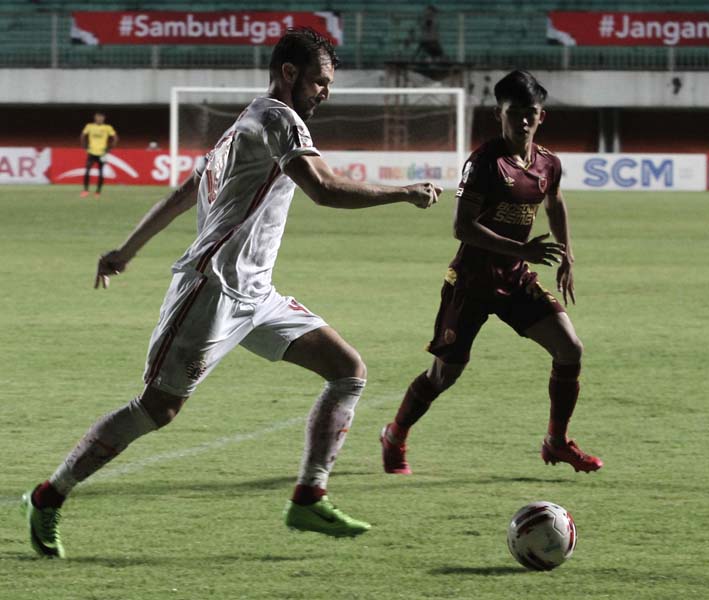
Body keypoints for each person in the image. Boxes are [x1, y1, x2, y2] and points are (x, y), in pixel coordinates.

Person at [23, 28, 442, 559]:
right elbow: (325, 189)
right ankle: (48, 494)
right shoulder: (275, 118)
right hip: (212, 288)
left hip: (256, 295)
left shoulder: (242, 126)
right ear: (288, 74)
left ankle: (309, 495)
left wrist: (126, 251)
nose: (325, 92)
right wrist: (403, 191)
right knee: (158, 408)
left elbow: (182, 194)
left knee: (346, 369)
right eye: (318, 81)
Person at [379, 70, 603, 476]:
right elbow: (461, 228)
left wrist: (568, 253)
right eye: (513, 112)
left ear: (541, 116)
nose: (522, 120)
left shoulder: (548, 163)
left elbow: (554, 202)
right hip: (471, 282)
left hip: (515, 278)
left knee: (570, 349)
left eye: (529, 113)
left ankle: (555, 442)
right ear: (498, 115)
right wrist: (523, 248)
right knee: (444, 374)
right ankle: (394, 435)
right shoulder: (485, 163)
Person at [80, 111, 117, 198]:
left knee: (101, 172)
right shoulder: (89, 126)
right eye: (98, 117)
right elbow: (82, 135)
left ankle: (98, 192)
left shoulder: (107, 127)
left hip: (102, 153)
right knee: (87, 170)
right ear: (95, 118)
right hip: (92, 152)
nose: (100, 119)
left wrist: (109, 148)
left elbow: (115, 137)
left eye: (101, 117)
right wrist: (85, 146)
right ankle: (85, 190)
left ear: (104, 118)